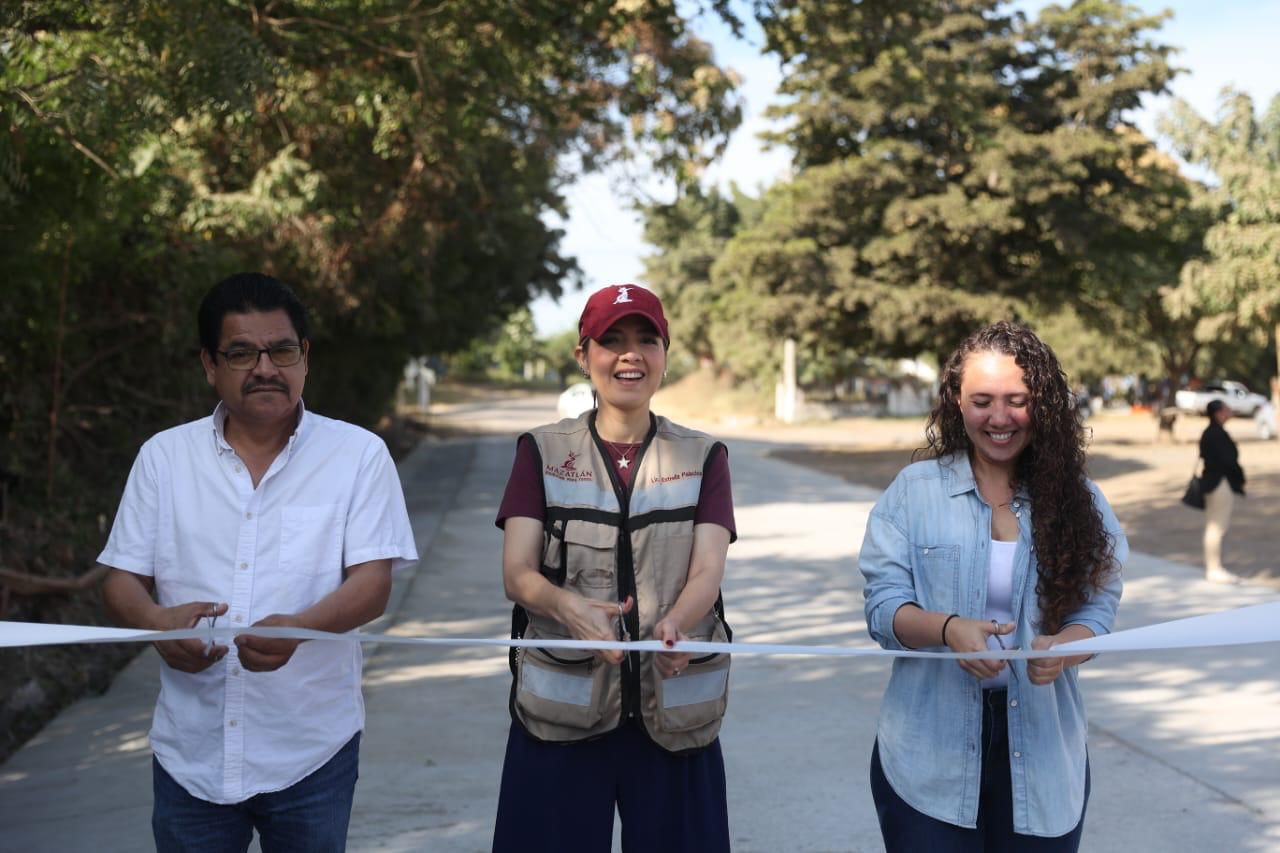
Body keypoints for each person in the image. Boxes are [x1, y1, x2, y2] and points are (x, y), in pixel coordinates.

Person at [99, 273, 418, 852]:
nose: (265, 367)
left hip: (311, 749)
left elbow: (372, 586)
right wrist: (155, 623)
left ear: (305, 358)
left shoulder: (358, 456)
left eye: (282, 350)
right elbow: (122, 579)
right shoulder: (163, 459)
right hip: (189, 751)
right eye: (242, 352)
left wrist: (302, 629)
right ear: (209, 365)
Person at [859, 321, 1126, 851]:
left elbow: (1098, 609)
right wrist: (948, 629)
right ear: (956, 403)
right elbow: (883, 609)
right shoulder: (914, 493)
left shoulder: (1082, 501)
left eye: (1017, 400)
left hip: (1045, 754)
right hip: (926, 757)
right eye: (982, 400)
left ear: (1042, 405)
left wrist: (1064, 649)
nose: (999, 418)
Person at [491, 283, 736, 852]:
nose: (630, 355)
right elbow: (518, 574)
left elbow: (708, 571)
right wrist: (566, 607)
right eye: (612, 341)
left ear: (665, 354)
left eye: (646, 340)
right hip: (561, 717)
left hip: (674, 717)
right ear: (584, 355)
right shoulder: (541, 451)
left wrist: (678, 623)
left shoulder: (705, 457)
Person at [1200, 399, 1245, 583]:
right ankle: (1214, 568)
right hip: (1219, 483)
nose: (1230, 411)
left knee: (1215, 525)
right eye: (1226, 409)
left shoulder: (1211, 432)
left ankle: (1214, 567)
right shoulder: (1215, 434)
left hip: (1215, 482)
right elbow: (1228, 460)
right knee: (1216, 527)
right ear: (1219, 412)